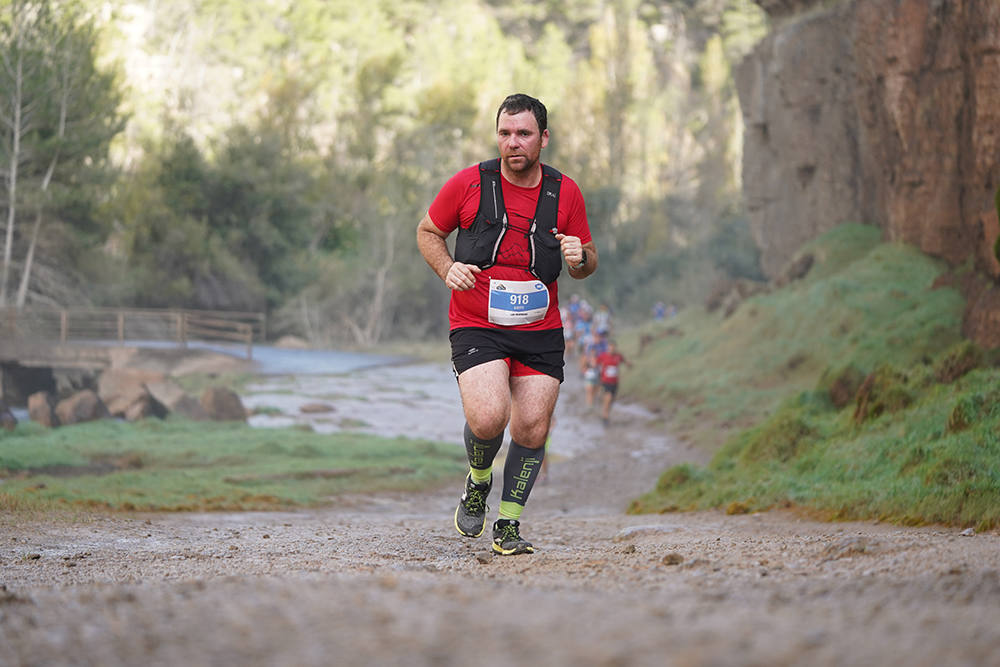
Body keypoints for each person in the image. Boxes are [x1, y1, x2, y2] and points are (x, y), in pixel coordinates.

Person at [416, 93, 597, 556]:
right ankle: (478, 481)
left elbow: (587, 259)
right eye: (504, 133)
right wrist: (447, 268)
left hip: (539, 330)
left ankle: (508, 525)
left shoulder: (565, 192)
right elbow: (428, 232)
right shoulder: (470, 183)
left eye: (523, 134)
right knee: (489, 416)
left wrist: (580, 257)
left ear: (543, 138)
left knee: (533, 428)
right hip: (477, 323)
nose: (512, 143)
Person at [595, 339, 629, 426]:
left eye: (613, 347)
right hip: (606, 381)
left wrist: (629, 364)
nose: (611, 349)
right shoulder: (603, 356)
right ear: (607, 348)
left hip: (615, 382)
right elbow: (595, 363)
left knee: (611, 400)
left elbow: (624, 361)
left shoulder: (618, 356)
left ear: (615, 348)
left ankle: (605, 414)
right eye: (609, 347)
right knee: (608, 398)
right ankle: (605, 417)